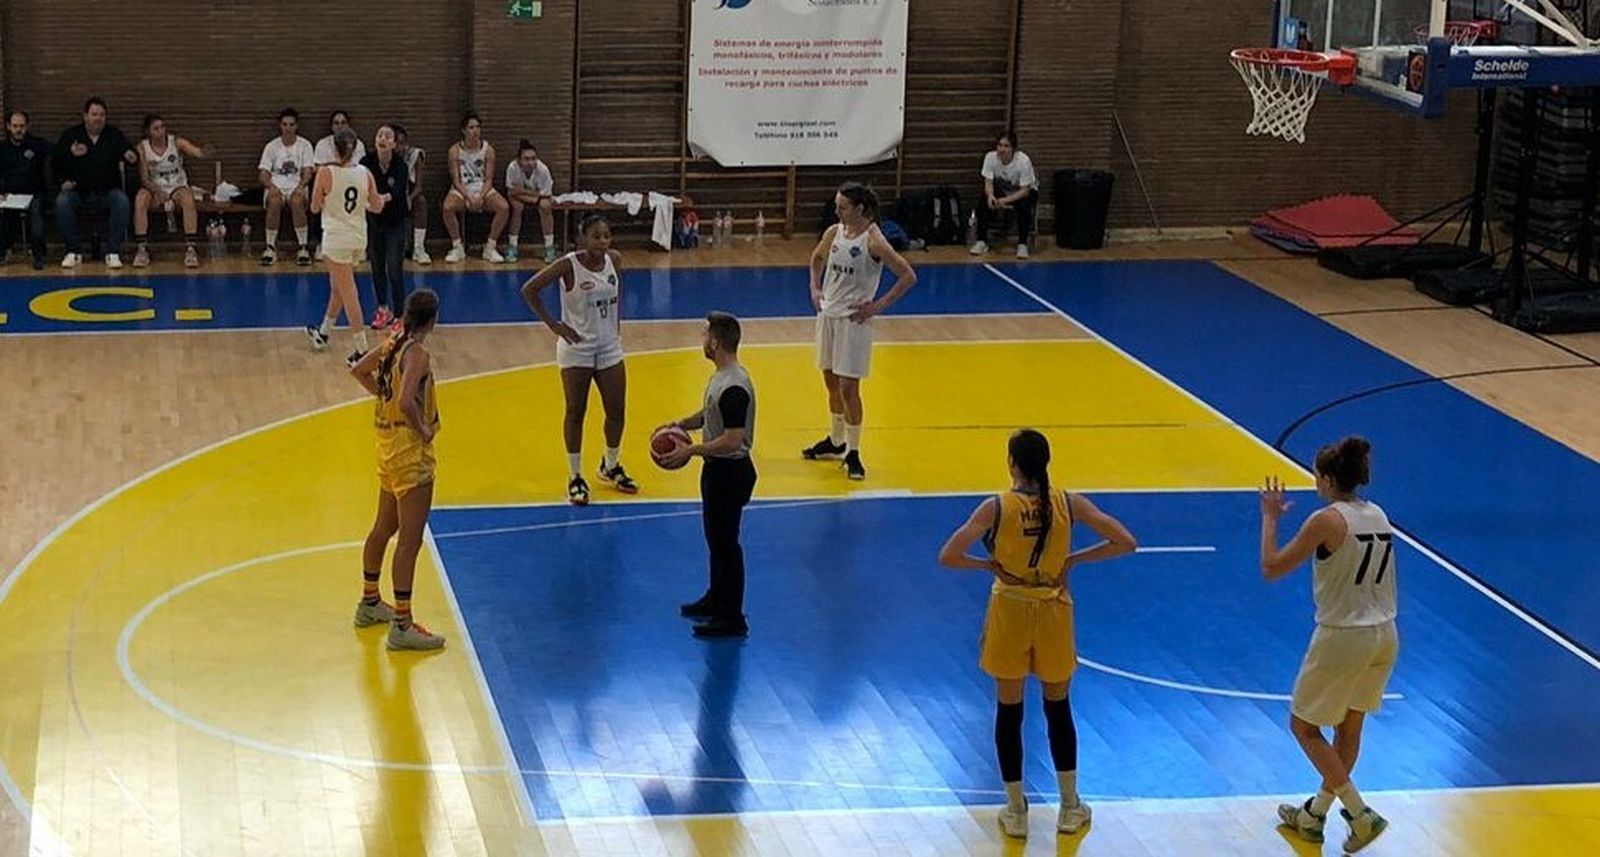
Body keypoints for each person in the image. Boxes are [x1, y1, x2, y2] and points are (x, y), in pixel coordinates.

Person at [938, 429, 1136, 839]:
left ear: (1012, 463)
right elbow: (1125, 541)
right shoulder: (1068, 502)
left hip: (1010, 609)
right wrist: (1073, 559)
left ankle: (1015, 810)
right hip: (1052, 610)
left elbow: (950, 555)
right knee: (1058, 708)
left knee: (1009, 713)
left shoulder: (996, 507)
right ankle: (1069, 805)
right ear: (1046, 462)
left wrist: (988, 566)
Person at [1261, 437, 1396, 854]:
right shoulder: (1378, 514)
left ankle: (1360, 815)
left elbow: (1271, 567)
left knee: (1303, 726)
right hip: (1385, 634)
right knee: (1349, 729)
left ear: (1329, 479)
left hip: (1344, 635)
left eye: (1317, 476)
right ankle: (1314, 814)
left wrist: (1270, 518)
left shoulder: (1325, 520)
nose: (1315, 482)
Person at [349, 289, 446, 651]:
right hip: (409, 452)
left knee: (383, 527)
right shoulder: (417, 353)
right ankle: (402, 625)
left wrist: (381, 394)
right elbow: (406, 400)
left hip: (387, 447)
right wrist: (423, 428)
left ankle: (370, 601)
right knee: (409, 541)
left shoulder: (393, 343)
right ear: (433, 320)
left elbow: (358, 370)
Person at [801, 182, 917, 481]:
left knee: (849, 388)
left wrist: (877, 306)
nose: (837, 211)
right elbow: (816, 259)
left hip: (853, 322)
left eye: (842, 207)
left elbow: (907, 275)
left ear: (860, 209)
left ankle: (853, 451)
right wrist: (815, 288)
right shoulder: (834, 232)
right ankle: (836, 440)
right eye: (837, 206)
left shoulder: (874, 241)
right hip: (828, 315)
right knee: (830, 381)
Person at [518, 213, 638, 505]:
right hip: (577, 348)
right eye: (596, 236)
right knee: (575, 411)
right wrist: (554, 325)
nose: (602, 241)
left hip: (609, 346)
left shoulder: (615, 260)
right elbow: (529, 290)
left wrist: (616, 328)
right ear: (582, 238)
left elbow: (617, 294)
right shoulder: (568, 264)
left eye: (606, 236)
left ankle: (610, 465)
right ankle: (575, 476)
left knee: (616, 410)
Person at [659, 312, 757, 639]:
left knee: (726, 544)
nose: (702, 339)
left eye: (705, 335)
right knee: (716, 540)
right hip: (718, 470)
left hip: (730, 471)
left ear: (715, 342)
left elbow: (733, 438)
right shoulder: (722, 376)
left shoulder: (734, 386)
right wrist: (683, 423)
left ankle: (732, 618)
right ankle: (717, 598)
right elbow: (711, 413)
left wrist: (691, 450)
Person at [307, 129, 388, 365]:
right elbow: (377, 206)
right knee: (339, 288)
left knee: (348, 291)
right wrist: (380, 199)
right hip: (358, 238)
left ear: (334, 148)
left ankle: (362, 350)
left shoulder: (325, 172)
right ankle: (323, 332)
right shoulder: (365, 173)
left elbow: (314, 207)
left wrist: (327, 199)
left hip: (336, 238)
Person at [53, 96, 137, 269]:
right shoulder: (71, 135)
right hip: (78, 191)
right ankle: (73, 251)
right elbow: (56, 163)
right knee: (62, 201)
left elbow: (131, 154)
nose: (98, 118)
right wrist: (64, 177)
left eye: (102, 115)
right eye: (94, 114)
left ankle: (112, 251)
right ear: (85, 116)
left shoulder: (113, 134)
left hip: (107, 191)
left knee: (122, 201)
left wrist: (131, 156)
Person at [132, 115, 206, 268]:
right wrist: (157, 191)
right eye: (156, 128)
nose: (161, 131)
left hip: (177, 186)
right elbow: (144, 178)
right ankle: (141, 249)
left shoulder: (176, 142)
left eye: (163, 127)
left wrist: (203, 152)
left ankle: (191, 249)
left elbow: (195, 150)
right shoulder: (142, 148)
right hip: (154, 188)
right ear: (148, 132)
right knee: (140, 198)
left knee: (188, 197)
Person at [361, 124, 411, 331]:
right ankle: (382, 309)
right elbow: (361, 187)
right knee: (377, 267)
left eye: (388, 136)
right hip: (374, 222)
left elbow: (398, 190)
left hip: (396, 223)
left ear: (394, 144)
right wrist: (369, 203)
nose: (382, 138)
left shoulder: (400, 165)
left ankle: (400, 314)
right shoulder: (366, 163)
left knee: (394, 269)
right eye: (379, 135)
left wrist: (382, 199)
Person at [442, 112, 508, 264]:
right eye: (471, 127)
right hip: (462, 189)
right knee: (447, 207)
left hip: (482, 188)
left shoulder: (488, 150)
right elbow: (456, 180)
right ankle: (457, 246)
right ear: (463, 130)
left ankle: (490, 247)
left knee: (503, 207)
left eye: (478, 127)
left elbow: (489, 179)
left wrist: (480, 197)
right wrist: (467, 197)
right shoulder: (454, 151)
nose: (475, 131)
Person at [969, 130, 1039, 260]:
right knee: (983, 200)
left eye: (1006, 146)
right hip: (1003, 192)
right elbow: (988, 182)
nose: (1002, 149)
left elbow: (1025, 191)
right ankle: (981, 241)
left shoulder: (1023, 161)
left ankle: (1022, 244)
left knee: (1025, 206)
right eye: (1000, 145)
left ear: (1013, 149)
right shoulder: (990, 158)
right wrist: (990, 196)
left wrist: (1005, 200)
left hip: (1023, 193)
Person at [257, 108, 314, 266]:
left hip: (297, 185)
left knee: (297, 201)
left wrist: (301, 186)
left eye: (291, 124)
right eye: (285, 124)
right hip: (276, 186)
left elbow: (308, 172)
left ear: (296, 126)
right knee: (274, 201)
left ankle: (303, 248)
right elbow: (263, 174)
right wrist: (271, 186)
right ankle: (270, 247)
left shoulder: (305, 145)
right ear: (280, 126)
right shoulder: (271, 146)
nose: (288, 128)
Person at [0, 109, 51, 269]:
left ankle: (39, 255)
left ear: (27, 127)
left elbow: (57, 152)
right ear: (8, 126)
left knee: (35, 213)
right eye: (15, 126)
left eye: (22, 126)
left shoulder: (36, 144)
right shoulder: (2, 149)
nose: (18, 130)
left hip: (35, 193)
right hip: (10, 195)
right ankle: (2, 252)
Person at [312, 111, 367, 261]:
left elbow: (359, 167)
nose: (340, 126)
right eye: (336, 123)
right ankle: (320, 243)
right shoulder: (323, 144)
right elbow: (317, 168)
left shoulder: (359, 145)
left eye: (343, 122)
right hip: (331, 186)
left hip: (351, 184)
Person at [505, 139, 555, 264]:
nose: (530, 162)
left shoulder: (543, 170)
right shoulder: (512, 168)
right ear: (519, 160)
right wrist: (533, 196)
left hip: (537, 198)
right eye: (526, 159)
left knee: (546, 206)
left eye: (533, 158)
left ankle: (549, 247)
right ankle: (512, 246)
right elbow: (511, 192)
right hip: (520, 198)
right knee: (517, 208)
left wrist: (524, 192)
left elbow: (546, 194)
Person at [394, 125, 430, 265]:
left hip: (409, 195)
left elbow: (419, 186)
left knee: (421, 201)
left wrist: (409, 198)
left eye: (402, 143)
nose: (398, 147)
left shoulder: (415, 155)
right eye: (396, 143)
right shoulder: (384, 156)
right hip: (390, 196)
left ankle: (419, 248)